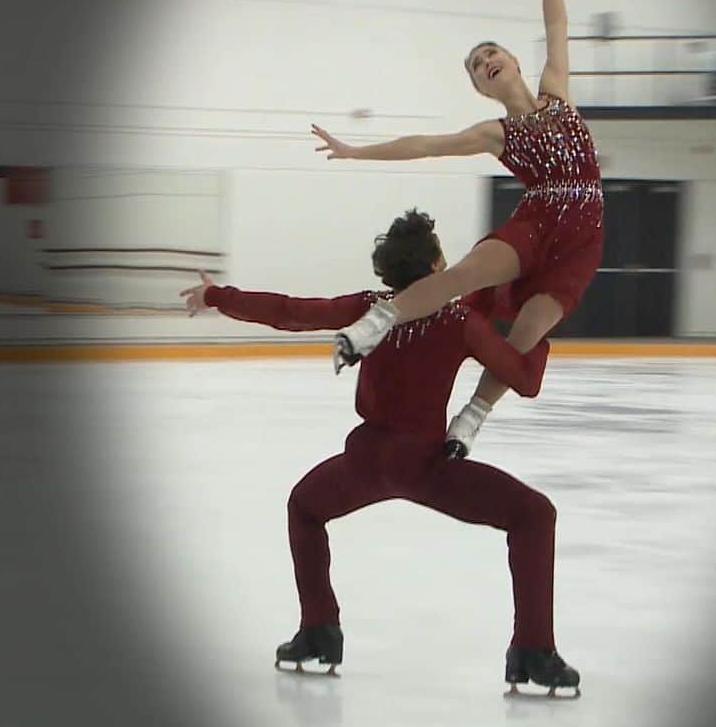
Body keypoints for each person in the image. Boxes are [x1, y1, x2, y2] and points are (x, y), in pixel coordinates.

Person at [180, 209, 581, 696]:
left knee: (305, 507)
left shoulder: (372, 309)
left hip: (367, 462)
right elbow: (523, 381)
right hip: (428, 467)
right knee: (534, 516)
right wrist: (537, 324)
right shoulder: (460, 322)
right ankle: (533, 651)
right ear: (437, 265)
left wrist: (217, 296)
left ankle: (319, 632)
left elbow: (290, 311)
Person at [311, 0, 603, 460]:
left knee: (526, 336)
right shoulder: (494, 134)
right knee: (466, 273)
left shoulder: (557, 91)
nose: (485, 62)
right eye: (475, 67)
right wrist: (355, 151)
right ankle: (375, 325)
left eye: (490, 54)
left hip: (583, 237)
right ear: (479, 88)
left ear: (515, 60)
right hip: (539, 220)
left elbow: (558, 22)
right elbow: (424, 145)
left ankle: (471, 417)